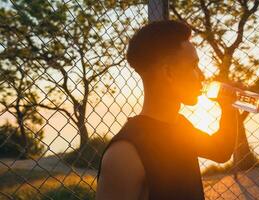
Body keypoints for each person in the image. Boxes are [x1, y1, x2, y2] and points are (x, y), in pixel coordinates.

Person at [95, 20, 238, 200]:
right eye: (194, 66)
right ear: (168, 73)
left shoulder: (180, 126)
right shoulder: (124, 154)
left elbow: (220, 151)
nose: (201, 75)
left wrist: (228, 108)